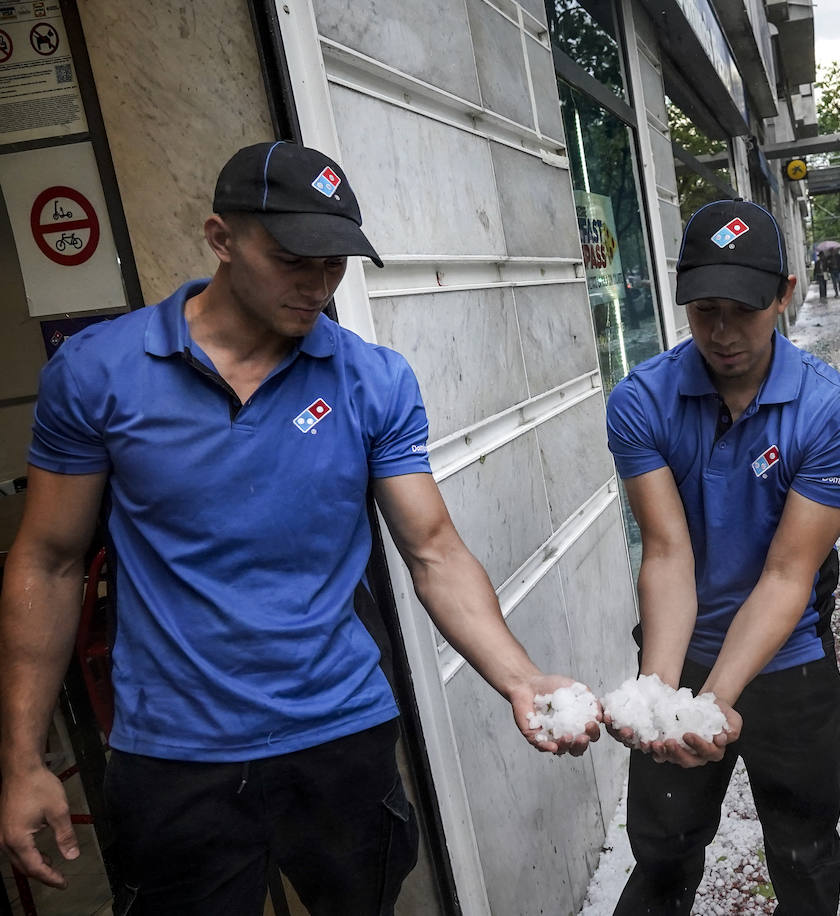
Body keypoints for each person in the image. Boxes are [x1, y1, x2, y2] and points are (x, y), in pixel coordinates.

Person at [0, 140, 598, 914]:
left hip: (339, 732)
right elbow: (47, 561)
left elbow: (433, 550)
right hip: (175, 752)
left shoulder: (373, 380)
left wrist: (520, 679)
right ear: (220, 239)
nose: (318, 285)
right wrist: (21, 758)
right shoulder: (97, 372)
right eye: (292, 259)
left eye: (335, 264)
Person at [604, 198, 840, 914]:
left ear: (784, 293)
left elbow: (789, 574)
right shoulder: (641, 401)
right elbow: (666, 555)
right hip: (679, 646)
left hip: (790, 662)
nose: (721, 335)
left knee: (804, 850)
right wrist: (660, 701)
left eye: (743, 311)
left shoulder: (832, 413)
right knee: (663, 851)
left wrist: (715, 703)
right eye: (704, 311)